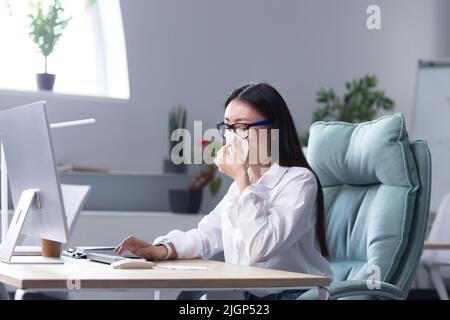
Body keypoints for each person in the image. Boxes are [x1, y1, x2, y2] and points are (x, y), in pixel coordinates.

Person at [114, 83, 332, 300]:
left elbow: (261, 247)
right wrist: (161, 250)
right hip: (249, 294)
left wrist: (241, 178)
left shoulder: (299, 181)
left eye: (242, 127)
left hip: (298, 295)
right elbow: (207, 235)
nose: (233, 137)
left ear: (273, 130)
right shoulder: (242, 183)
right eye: (229, 127)